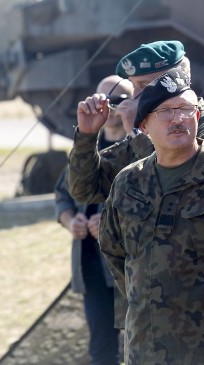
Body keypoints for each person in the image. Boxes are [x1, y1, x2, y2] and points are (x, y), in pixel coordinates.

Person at [97, 66, 204, 364]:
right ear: (143, 126)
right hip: (144, 346)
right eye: (165, 111)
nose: (177, 119)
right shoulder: (128, 181)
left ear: (198, 117)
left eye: (185, 109)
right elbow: (114, 250)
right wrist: (145, 295)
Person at [68, 40, 204, 204]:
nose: (136, 95)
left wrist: (137, 136)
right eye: (134, 85)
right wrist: (86, 135)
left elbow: (186, 186)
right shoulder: (142, 132)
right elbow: (85, 191)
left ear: (176, 82)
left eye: (144, 85)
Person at [54, 74, 133, 365]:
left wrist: (112, 224)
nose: (109, 106)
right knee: (101, 350)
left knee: (143, 345)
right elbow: (62, 192)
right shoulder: (87, 145)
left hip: (129, 267)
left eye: (118, 100)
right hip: (91, 266)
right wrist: (68, 220)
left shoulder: (143, 147)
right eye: (102, 99)